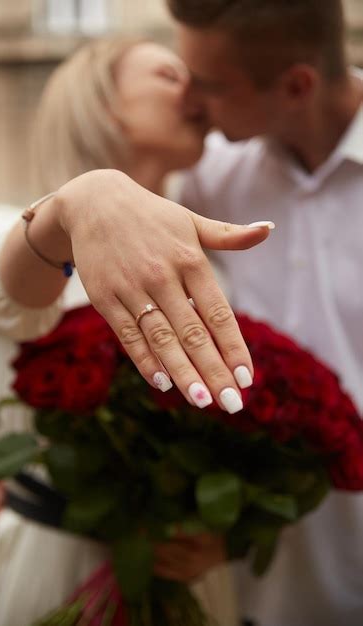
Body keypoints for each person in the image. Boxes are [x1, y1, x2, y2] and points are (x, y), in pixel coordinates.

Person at [0, 37, 271, 626]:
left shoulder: (216, 265)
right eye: (170, 75)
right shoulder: (1, 228)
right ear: (105, 104)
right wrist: (83, 199)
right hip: (54, 567)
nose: (195, 89)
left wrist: (229, 534)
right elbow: (13, 286)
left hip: (188, 574)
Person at [164, 1, 363, 625]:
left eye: (211, 85)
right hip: (257, 587)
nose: (189, 102)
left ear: (297, 85)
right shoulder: (206, 178)